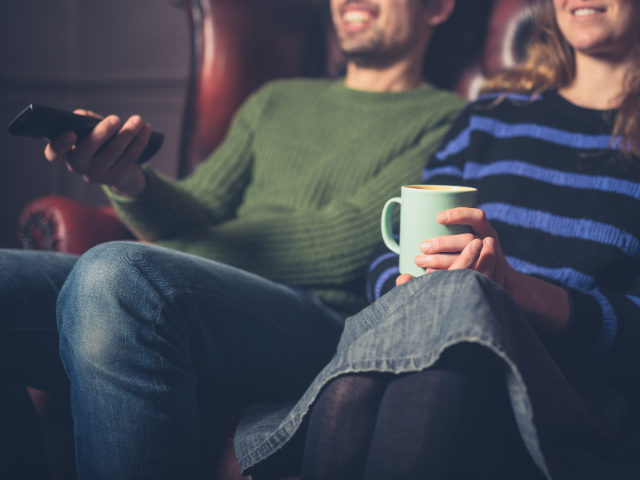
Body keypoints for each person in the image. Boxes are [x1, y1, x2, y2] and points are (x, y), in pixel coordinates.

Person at [0, 0, 466, 478]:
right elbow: (199, 206)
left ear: (436, 8)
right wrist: (126, 178)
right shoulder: (276, 100)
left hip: (321, 322)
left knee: (118, 275)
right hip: (204, 295)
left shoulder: (451, 119)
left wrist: (165, 256)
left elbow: (344, 239)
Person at [230, 0, 640, 478]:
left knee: (447, 318)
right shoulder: (489, 116)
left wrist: (513, 290)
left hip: (567, 387)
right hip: (437, 341)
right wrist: (408, 287)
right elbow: (391, 255)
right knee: (436, 344)